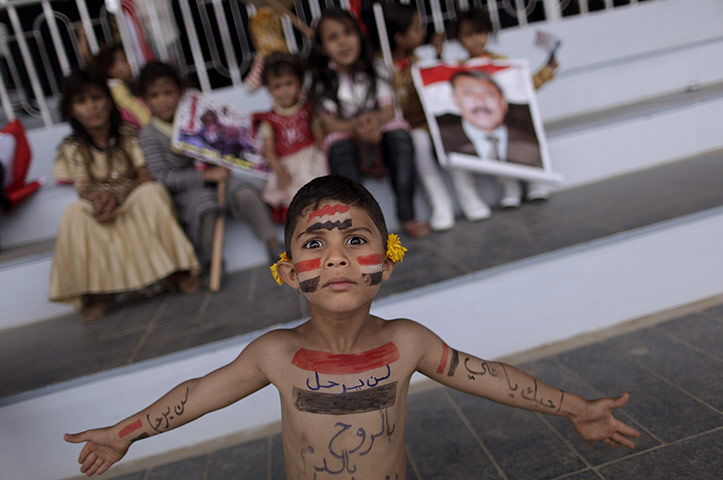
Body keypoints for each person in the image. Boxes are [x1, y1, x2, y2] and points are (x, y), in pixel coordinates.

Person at [64, 175, 641, 478]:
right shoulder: (274, 354)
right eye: (315, 243)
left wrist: (576, 408)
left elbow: (490, 377)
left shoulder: (407, 342)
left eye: (355, 240)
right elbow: (195, 397)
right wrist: (125, 432)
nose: (336, 257)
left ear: (385, 264)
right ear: (288, 273)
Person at [50, 70, 200, 321]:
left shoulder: (129, 134)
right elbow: (83, 186)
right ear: (72, 110)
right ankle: (99, 294)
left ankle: (175, 273)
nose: (91, 107)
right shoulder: (72, 146)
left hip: (130, 197)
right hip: (100, 203)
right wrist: (99, 201)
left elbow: (145, 174)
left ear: (109, 101)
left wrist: (118, 198)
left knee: (151, 193)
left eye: (96, 98)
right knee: (75, 213)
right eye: (81, 102)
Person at [136, 62, 284, 266]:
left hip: (220, 179)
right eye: (154, 95)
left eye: (168, 93)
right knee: (205, 207)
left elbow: (223, 142)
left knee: (245, 192)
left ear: (180, 92)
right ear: (145, 100)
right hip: (188, 190)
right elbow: (163, 176)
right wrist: (205, 176)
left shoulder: (198, 116)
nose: (163, 101)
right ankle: (210, 261)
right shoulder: (149, 135)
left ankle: (272, 243)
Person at [309, 7, 430, 238]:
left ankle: (407, 214)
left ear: (359, 35)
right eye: (333, 38)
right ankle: (361, 226)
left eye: (348, 33)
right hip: (347, 135)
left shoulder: (376, 68)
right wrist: (356, 128)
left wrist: (373, 123)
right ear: (323, 47)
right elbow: (330, 124)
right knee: (339, 149)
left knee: (400, 137)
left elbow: (387, 109)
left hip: (378, 130)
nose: (343, 42)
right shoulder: (323, 80)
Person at [451, 7, 557, 208]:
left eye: (480, 33)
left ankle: (536, 182)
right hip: (483, 123)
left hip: (508, 117)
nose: (475, 39)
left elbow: (525, 86)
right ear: (458, 39)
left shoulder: (501, 62)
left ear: (489, 34)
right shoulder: (457, 69)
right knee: (491, 145)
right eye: (468, 34)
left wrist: (547, 71)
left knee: (524, 133)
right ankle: (509, 187)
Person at [384, 2, 457, 230]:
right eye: (417, 28)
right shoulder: (384, 66)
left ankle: (468, 195)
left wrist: (437, 57)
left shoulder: (415, 60)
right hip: (407, 129)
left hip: (428, 123)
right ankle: (440, 202)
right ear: (399, 37)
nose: (423, 32)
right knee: (420, 141)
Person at [437, 69, 547, 211]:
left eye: (489, 94)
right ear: (455, 100)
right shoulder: (450, 138)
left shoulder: (525, 137)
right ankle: (508, 186)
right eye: (469, 94)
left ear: (503, 101)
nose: (480, 101)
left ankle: (535, 180)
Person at [253, 53, 328, 224]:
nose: (284, 90)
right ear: (269, 89)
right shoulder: (269, 119)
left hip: (309, 159)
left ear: (299, 82)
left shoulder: (308, 108)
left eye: (289, 83)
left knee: (316, 194)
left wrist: (321, 158)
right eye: (278, 86)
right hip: (286, 165)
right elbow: (269, 151)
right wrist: (280, 171)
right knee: (293, 201)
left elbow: (318, 136)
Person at [91, 44, 151, 129]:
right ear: (111, 70)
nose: (129, 63)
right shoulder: (116, 88)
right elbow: (133, 107)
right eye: (124, 60)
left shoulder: (119, 86)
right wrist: (149, 123)